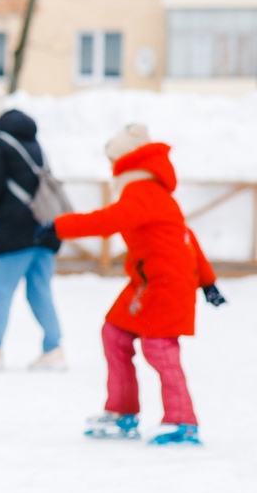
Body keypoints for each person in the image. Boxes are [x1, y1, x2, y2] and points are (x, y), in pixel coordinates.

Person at [40, 124, 225, 445]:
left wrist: (58, 227)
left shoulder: (142, 192)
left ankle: (182, 420)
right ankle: (123, 411)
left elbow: (107, 221)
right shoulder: (151, 191)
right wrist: (208, 281)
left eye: (112, 160)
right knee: (115, 332)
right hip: (149, 280)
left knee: (159, 348)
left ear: (125, 162)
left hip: (167, 283)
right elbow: (187, 236)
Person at [0, 84, 65, 371]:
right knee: (39, 289)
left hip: (17, 229)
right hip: (46, 226)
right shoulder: (32, 140)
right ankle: (54, 349)